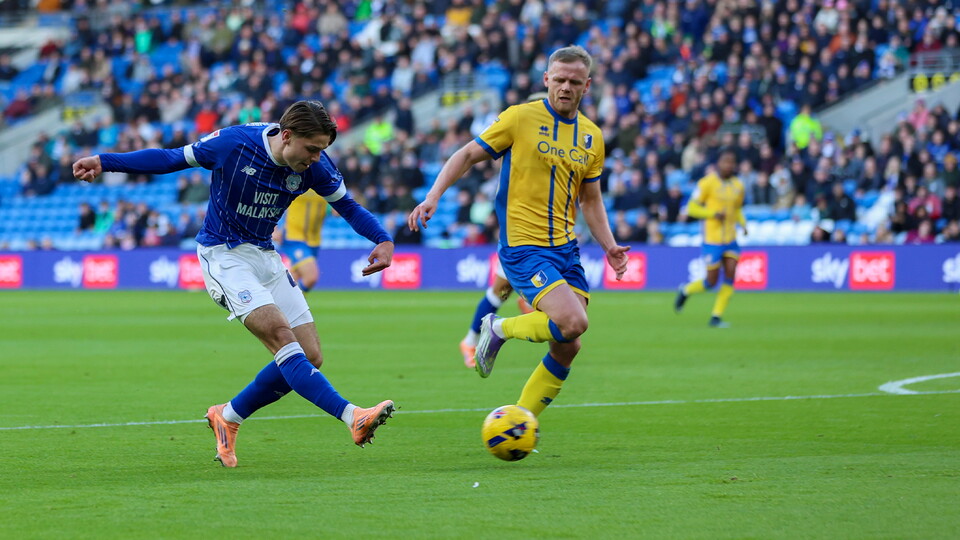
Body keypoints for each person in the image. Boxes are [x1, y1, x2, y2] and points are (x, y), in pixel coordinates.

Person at [73, 101, 396, 467]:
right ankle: (353, 416)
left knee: (310, 356)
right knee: (281, 336)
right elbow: (169, 159)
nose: (316, 157)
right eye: (312, 149)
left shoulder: (315, 166)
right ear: (286, 136)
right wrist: (104, 160)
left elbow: (349, 207)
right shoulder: (233, 144)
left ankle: (228, 416)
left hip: (265, 255)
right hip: (222, 255)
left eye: (323, 150)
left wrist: (383, 239)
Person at [408, 46, 630, 419]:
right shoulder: (520, 118)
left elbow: (591, 200)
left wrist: (609, 246)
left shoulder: (592, 137)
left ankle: (519, 421)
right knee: (573, 322)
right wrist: (433, 196)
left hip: (566, 248)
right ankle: (499, 327)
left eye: (574, 82)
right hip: (523, 246)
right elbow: (465, 155)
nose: (565, 87)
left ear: (587, 86)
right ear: (546, 80)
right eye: (558, 79)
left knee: (568, 345)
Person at [456, 92, 549, 369]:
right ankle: (489, 332)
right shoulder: (519, 133)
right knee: (505, 292)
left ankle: (472, 338)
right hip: (522, 232)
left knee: (500, 291)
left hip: (547, 232)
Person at [674, 149, 748, 327]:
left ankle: (716, 316)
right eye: (725, 161)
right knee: (710, 282)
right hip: (712, 239)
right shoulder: (706, 183)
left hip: (731, 238)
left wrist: (744, 225)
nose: (729, 165)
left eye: (732, 162)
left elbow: (737, 209)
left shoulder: (739, 186)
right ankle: (686, 290)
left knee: (730, 276)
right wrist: (712, 214)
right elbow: (691, 208)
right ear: (718, 164)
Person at [274, 188, 328, 291]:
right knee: (311, 277)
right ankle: (294, 305)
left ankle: (285, 304)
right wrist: (274, 229)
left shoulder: (325, 178)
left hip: (314, 241)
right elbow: (274, 200)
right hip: (293, 237)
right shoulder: (296, 176)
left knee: (294, 279)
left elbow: (336, 209)